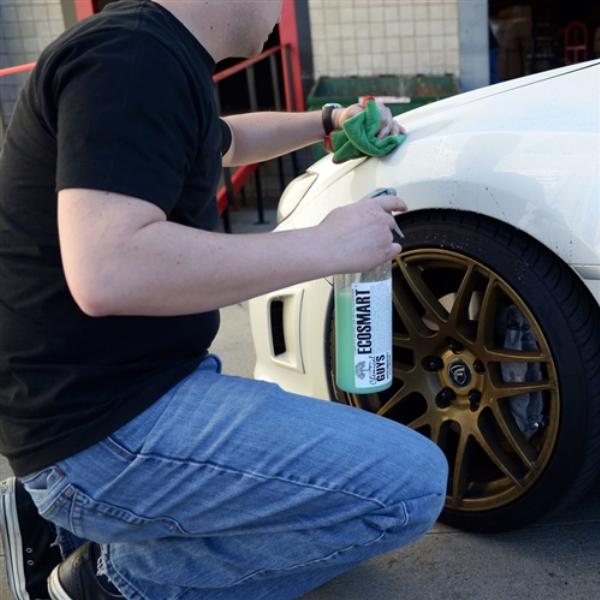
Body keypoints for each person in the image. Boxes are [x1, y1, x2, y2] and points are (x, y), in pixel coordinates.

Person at [0, 1, 448, 599]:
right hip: (99, 428)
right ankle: (104, 580)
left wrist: (328, 120)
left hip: (113, 397)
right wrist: (327, 244)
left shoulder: (155, 52)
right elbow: (109, 270)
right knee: (406, 488)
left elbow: (229, 139)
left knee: (339, 506)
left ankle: (52, 521)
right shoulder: (131, 59)